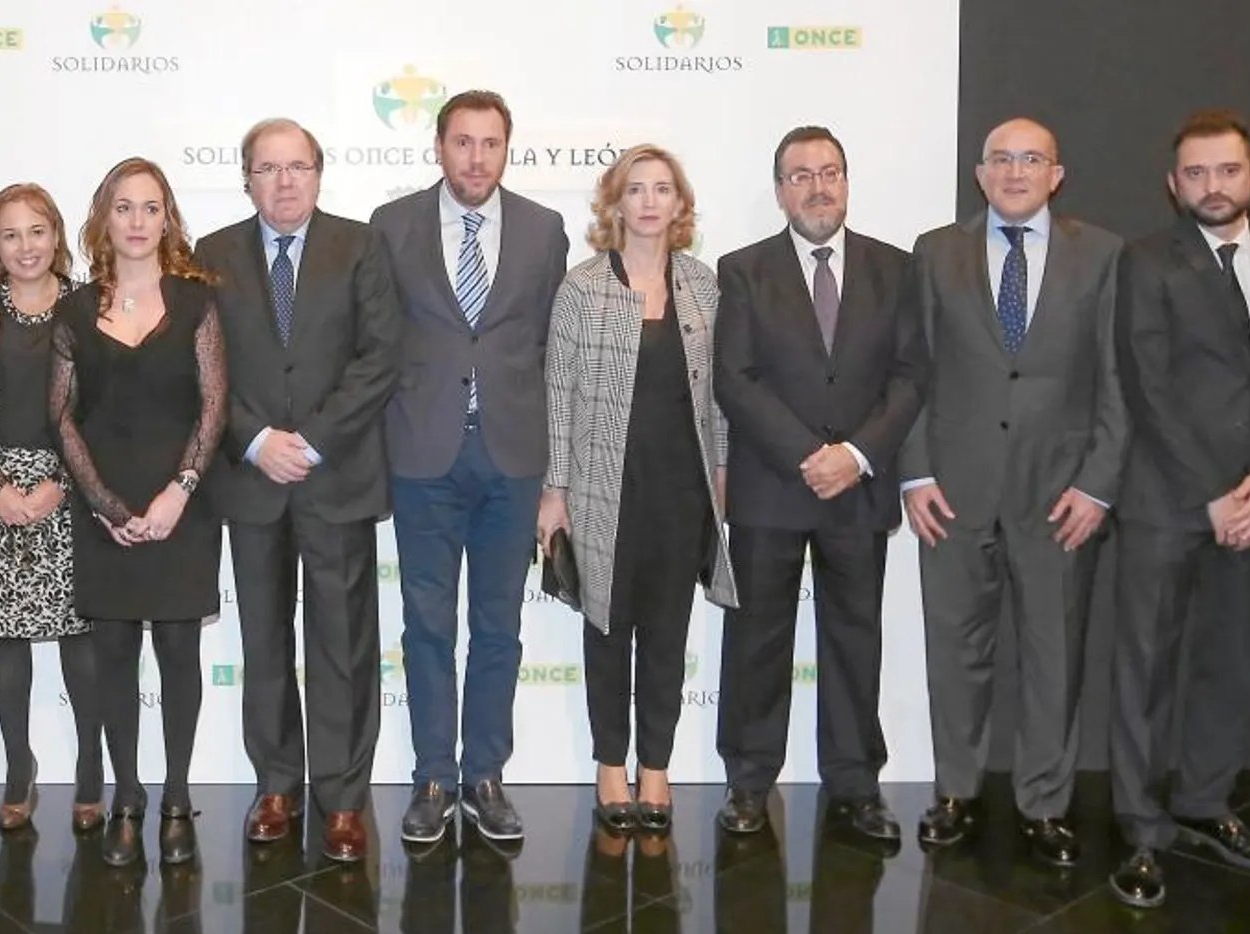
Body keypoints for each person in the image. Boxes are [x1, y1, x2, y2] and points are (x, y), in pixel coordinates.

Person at [899, 118, 1126, 867]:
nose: (1016, 170)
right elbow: (912, 372)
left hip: (1060, 494)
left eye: (1032, 159)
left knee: (1053, 653)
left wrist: (1099, 483)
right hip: (953, 491)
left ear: (1057, 174)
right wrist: (916, 470)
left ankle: (1045, 805)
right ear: (980, 171)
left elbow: (1118, 381)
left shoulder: (1103, 255)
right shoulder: (937, 251)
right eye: (1003, 158)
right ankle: (956, 791)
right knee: (955, 651)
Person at [1106, 111, 1250, 909]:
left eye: (1226, 171)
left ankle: (1206, 804)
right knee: (1145, 668)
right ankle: (1142, 833)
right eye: (1195, 173)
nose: (1211, 186)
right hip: (1168, 502)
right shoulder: (1146, 261)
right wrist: (1211, 492)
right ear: (1173, 183)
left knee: (1231, 663)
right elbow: (1146, 386)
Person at [196, 118, 402, 863]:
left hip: (334, 475)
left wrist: (310, 440)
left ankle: (343, 800)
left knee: (345, 647)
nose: (284, 182)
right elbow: (206, 366)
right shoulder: (211, 255)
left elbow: (380, 357)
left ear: (320, 173)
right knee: (265, 641)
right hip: (252, 480)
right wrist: (256, 440)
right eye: (267, 168)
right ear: (246, 177)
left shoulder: (360, 245)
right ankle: (276, 785)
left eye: (297, 167)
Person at [371, 90, 569, 848]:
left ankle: (485, 774)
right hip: (423, 455)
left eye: (490, 143)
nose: (476, 158)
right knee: (425, 625)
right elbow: (381, 344)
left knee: (498, 626)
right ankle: (432, 775)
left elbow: (554, 349)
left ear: (507, 148)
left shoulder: (545, 230)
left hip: (513, 458)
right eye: (463, 142)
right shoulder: (393, 227)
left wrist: (558, 474)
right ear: (439, 146)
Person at [713, 125, 921, 845]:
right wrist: (809, 453)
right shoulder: (741, 270)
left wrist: (856, 453)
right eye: (800, 175)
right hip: (772, 485)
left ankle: (856, 784)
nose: (818, 186)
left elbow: (910, 375)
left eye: (829, 171)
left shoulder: (896, 269)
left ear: (847, 181)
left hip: (858, 488)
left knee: (855, 639)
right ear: (779, 191)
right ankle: (747, 781)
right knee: (757, 639)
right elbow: (734, 378)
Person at [538, 144, 736, 835]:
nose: (649, 201)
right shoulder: (583, 286)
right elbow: (557, 393)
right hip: (601, 490)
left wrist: (722, 477)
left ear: (680, 205)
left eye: (662, 189)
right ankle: (610, 765)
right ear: (614, 204)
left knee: (665, 632)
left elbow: (719, 398)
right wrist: (554, 488)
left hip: (682, 492)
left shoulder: (705, 287)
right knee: (605, 627)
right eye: (635, 190)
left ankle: (657, 765)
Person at [51, 157, 226, 869]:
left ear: (167, 218)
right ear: (103, 218)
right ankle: (127, 798)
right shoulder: (72, 310)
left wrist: (179, 488)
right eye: (123, 207)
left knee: (180, 654)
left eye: (149, 208)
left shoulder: (196, 302)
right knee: (114, 658)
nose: (136, 221)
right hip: (104, 512)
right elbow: (61, 417)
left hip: (182, 508)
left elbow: (216, 405)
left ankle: (178, 797)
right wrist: (102, 503)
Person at [0, 183, 105, 834]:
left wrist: (61, 484)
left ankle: (91, 772)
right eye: (10, 234)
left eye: (36, 231)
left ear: (56, 235)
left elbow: (102, 406)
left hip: (70, 490)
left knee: (80, 639)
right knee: (7, 637)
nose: (25, 246)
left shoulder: (88, 306)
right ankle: (19, 769)